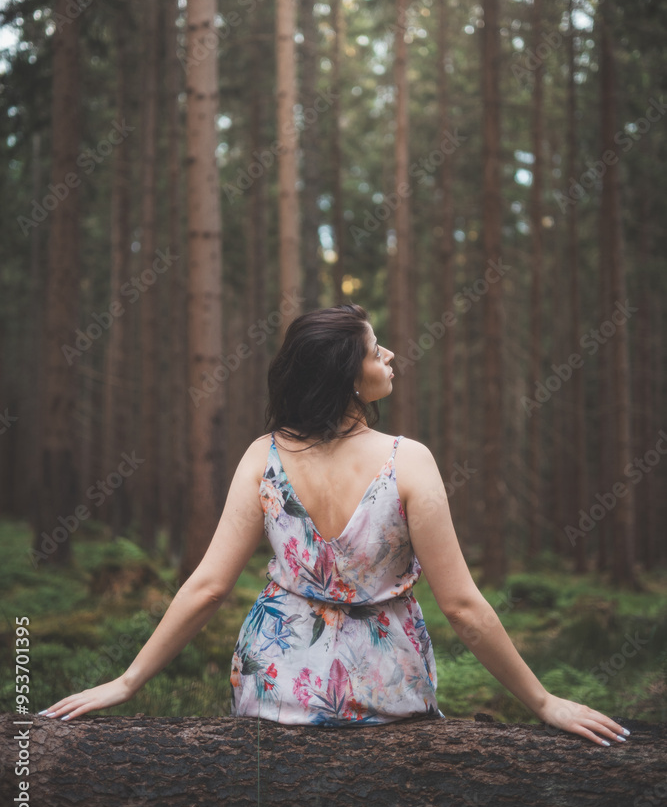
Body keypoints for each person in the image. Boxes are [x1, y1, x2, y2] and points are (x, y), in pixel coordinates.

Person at [40, 304, 630, 746]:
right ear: (350, 376)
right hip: (387, 691)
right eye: (377, 351)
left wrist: (127, 682)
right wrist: (544, 702)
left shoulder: (262, 456)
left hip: (275, 688)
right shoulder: (408, 460)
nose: (391, 356)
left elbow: (208, 586)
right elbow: (463, 608)